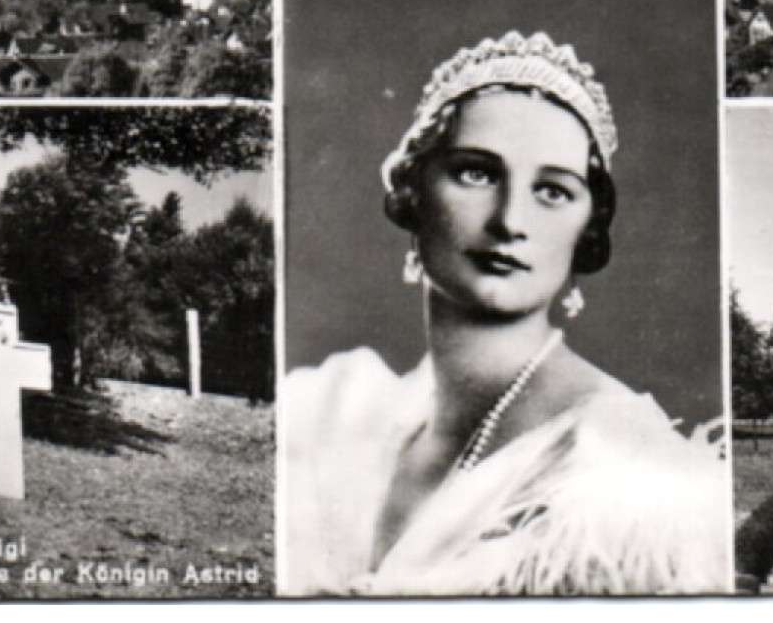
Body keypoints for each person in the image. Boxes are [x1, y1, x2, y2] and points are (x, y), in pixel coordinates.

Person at [283, 31, 729, 596]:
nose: (510, 219)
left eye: (553, 191)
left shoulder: (628, 484)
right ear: (414, 190)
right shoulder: (335, 415)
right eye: (477, 173)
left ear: (586, 228)